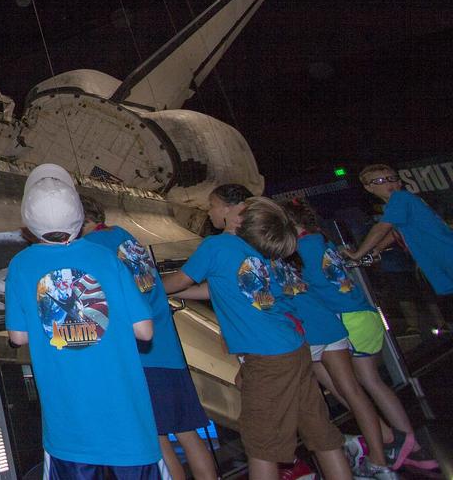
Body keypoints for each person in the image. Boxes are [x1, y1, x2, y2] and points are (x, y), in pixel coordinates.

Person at [160, 187, 352, 480]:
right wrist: (184, 295)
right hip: (293, 346)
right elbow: (224, 287)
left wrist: (145, 291)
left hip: (267, 359)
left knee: (261, 446)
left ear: (230, 211)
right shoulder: (257, 247)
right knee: (320, 431)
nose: (208, 212)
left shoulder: (215, 246)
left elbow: (179, 280)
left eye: (211, 205)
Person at [5, 164, 166, 480]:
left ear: (28, 221)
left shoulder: (21, 265)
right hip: (128, 424)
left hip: (70, 431)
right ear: (78, 216)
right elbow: (145, 330)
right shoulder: (104, 257)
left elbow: (18, 337)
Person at [283, 200, 435, 472]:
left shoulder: (302, 249)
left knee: (351, 387)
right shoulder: (320, 240)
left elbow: (303, 286)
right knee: (370, 382)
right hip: (363, 313)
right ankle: (406, 441)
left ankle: (391, 440)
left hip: (346, 318)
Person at [79, 196, 217, 480]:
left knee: (157, 439)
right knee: (188, 433)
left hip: (141, 358)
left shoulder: (91, 248)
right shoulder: (125, 237)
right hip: (167, 350)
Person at [344, 164, 453, 297]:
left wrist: (358, 254)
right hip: (440, 257)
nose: (388, 183)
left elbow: (381, 228)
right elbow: (394, 232)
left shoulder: (400, 198)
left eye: (392, 178)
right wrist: (377, 249)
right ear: (368, 187)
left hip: (446, 254)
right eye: (379, 181)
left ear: (399, 182)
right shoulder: (396, 205)